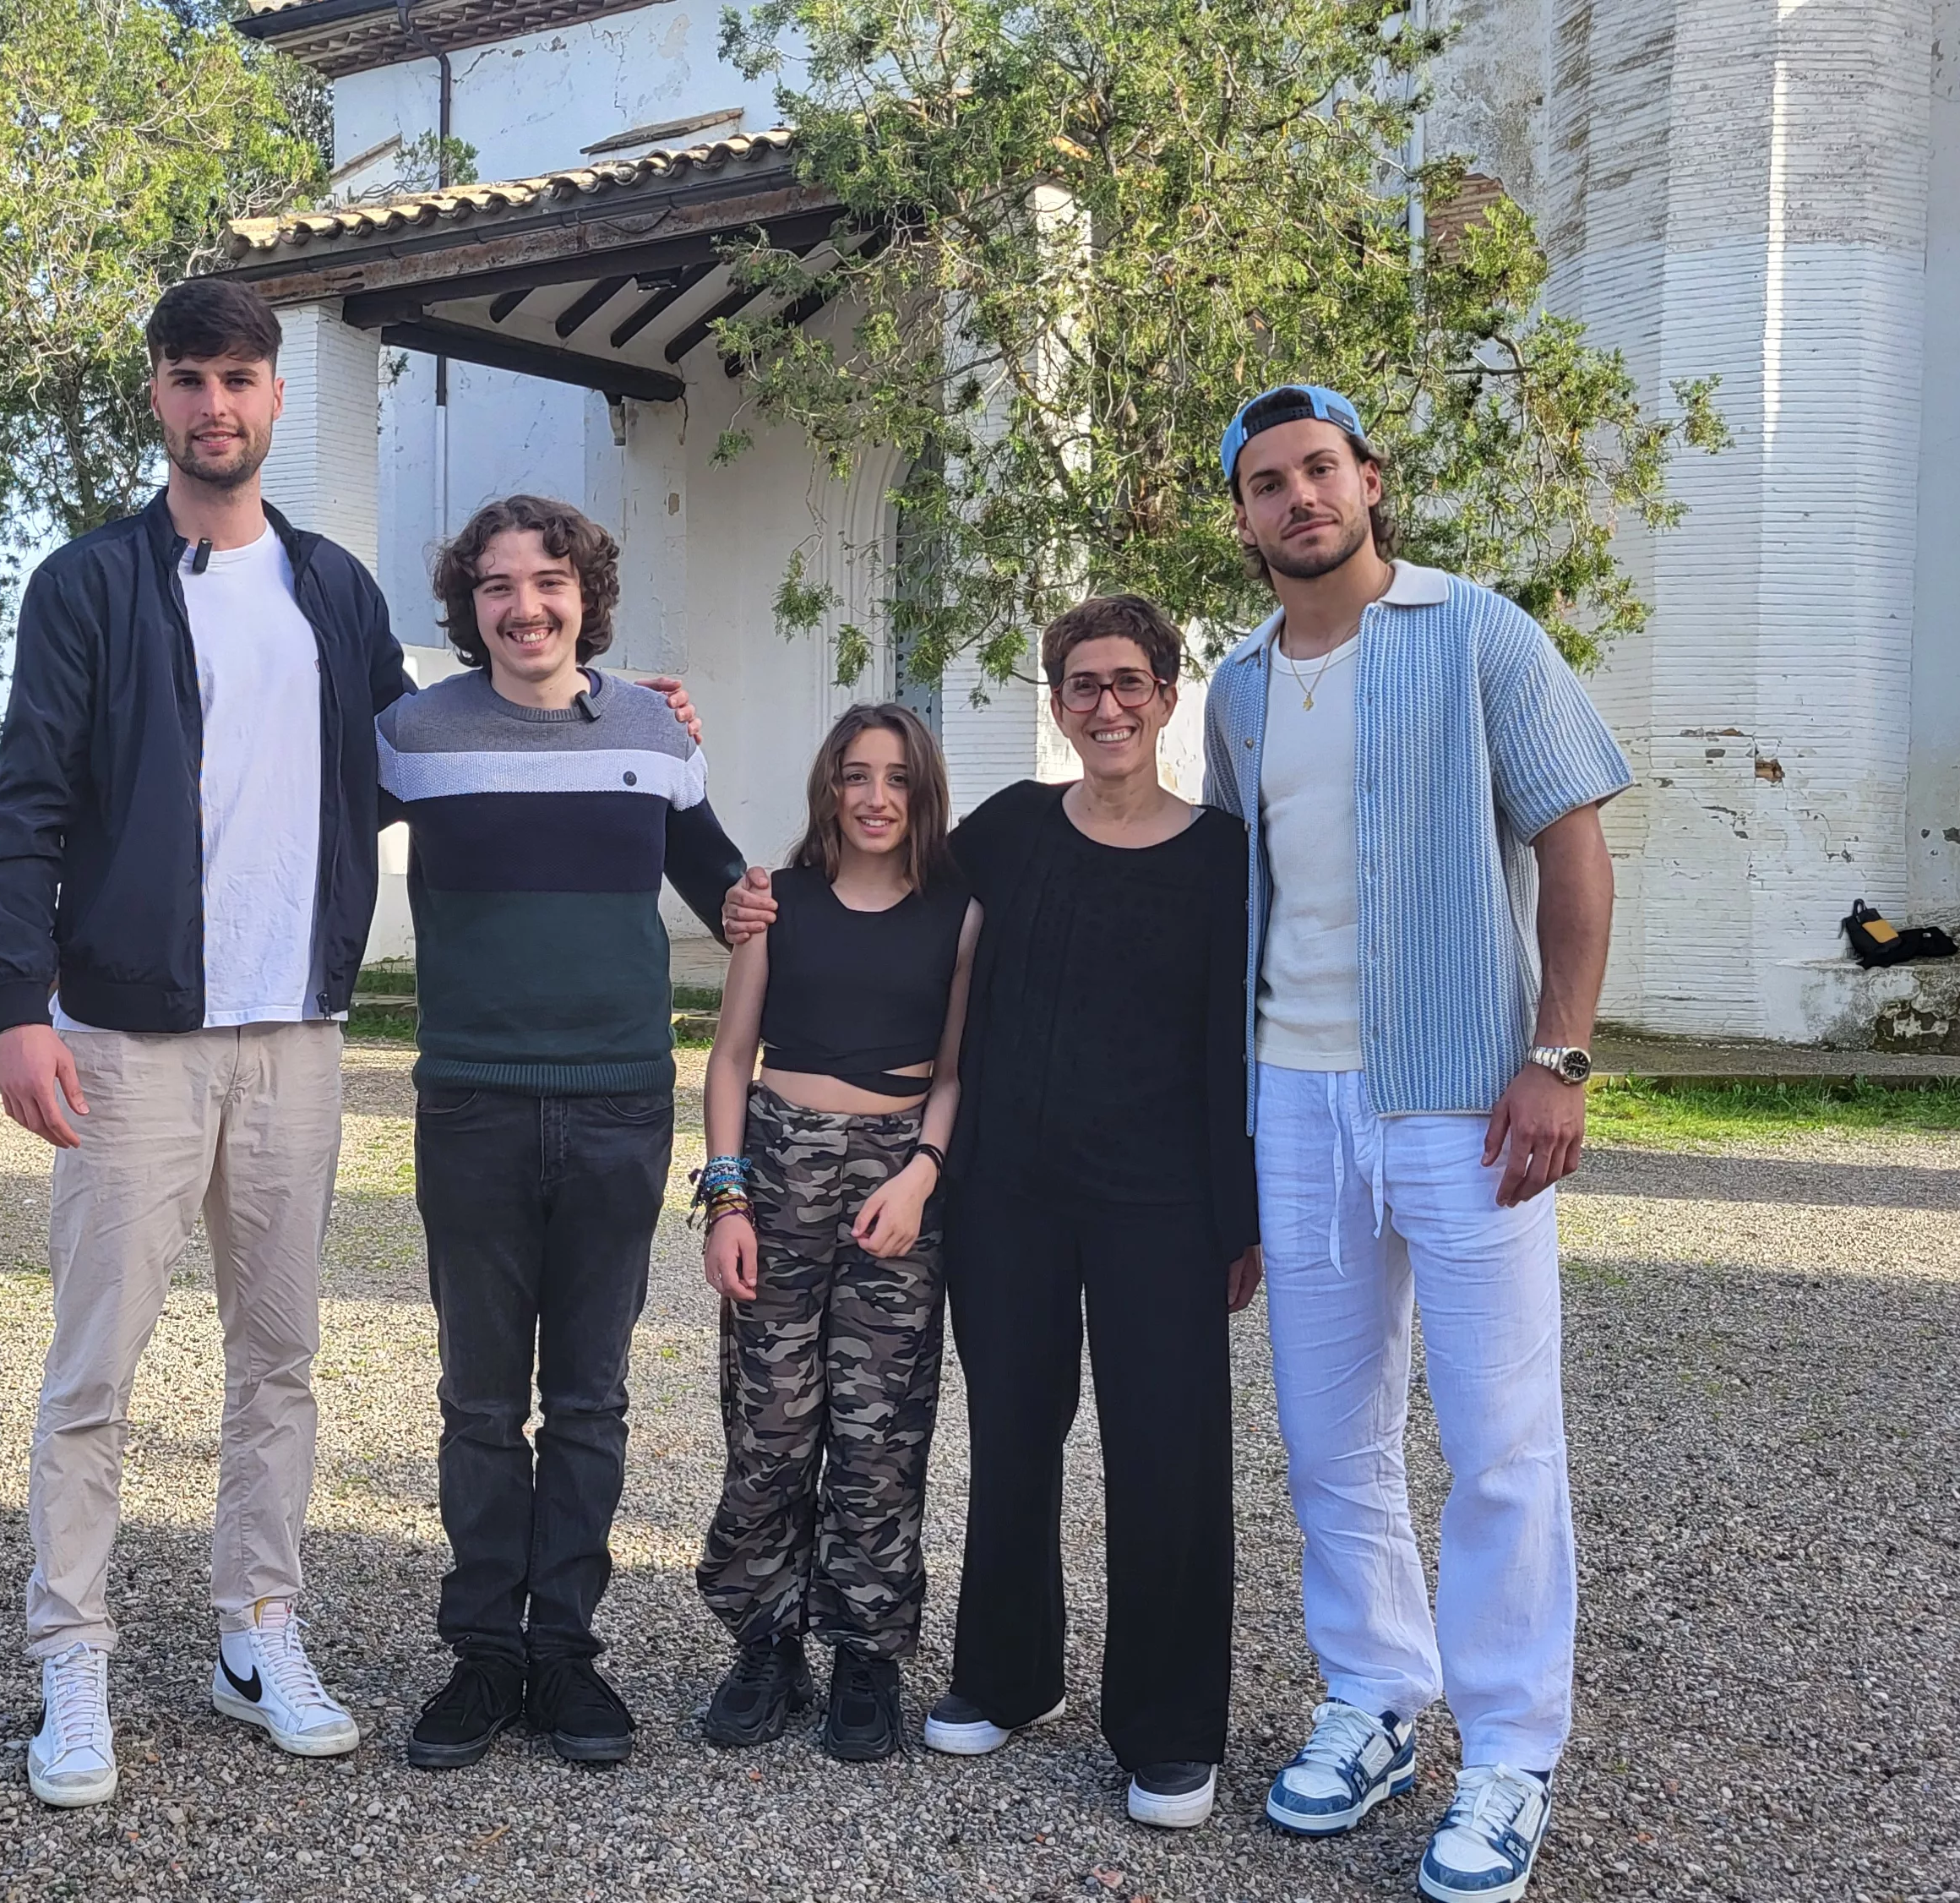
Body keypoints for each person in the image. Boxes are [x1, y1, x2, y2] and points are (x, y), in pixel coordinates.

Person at [0, 285, 708, 1804]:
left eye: (240, 378)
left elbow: (437, 746)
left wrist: (615, 713)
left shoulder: (331, 590)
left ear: (271, 399)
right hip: (128, 1038)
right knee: (95, 1369)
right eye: (190, 381)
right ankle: (74, 1655)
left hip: (297, 1036)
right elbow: (29, 806)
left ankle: (257, 1629)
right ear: (162, 398)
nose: (216, 406)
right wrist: (15, 1008)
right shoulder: (89, 586)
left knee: (280, 1361)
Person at [729, 596, 1260, 1827]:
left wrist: (1240, 1218)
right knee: (1015, 1438)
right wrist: (747, 898)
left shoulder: (1224, 856)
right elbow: (880, 881)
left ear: (1168, 696)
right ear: (1058, 701)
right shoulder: (1013, 832)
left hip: (1162, 1203)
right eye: (1083, 685)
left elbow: (1239, 1045)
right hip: (1010, 1192)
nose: (1109, 706)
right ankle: (1008, 1674)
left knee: (1167, 1456)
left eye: (1131, 682)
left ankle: (1169, 1727)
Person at [1203, 383, 1626, 1903]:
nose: (1299, 497)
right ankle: (1379, 1695)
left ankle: (1510, 1754)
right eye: (1268, 482)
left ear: (1370, 481)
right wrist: (1231, 1150)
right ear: (1244, 517)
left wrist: (1558, 1053)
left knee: (1503, 1439)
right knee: (1330, 1435)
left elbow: (1572, 835)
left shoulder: (1480, 634)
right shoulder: (1238, 690)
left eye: (1321, 469)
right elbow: (1238, 908)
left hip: (1463, 1093)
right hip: (1295, 1101)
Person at [377, 494, 747, 1771]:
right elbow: (291, 834)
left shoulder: (651, 729)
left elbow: (730, 892)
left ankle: (566, 1656)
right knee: (481, 1403)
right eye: (495, 586)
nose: (524, 606)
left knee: (589, 1401)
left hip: (620, 1104)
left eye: (548, 581)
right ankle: (484, 1651)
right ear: (466, 603)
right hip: (470, 1102)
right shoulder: (411, 735)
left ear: (587, 591)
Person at [690, 705, 977, 1764]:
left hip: (897, 1179)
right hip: (777, 1166)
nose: (874, 797)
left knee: (879, 1433)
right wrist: (725, 1198)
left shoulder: (957, 912)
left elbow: (954, 1070)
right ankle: (765, 1639)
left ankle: (865, 1648)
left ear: (921, 793)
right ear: (829, 787)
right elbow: (728, 1059)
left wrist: (922, 1173)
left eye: (896, 778)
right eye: (855, 776)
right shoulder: (779, 900)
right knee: (768, 1426)